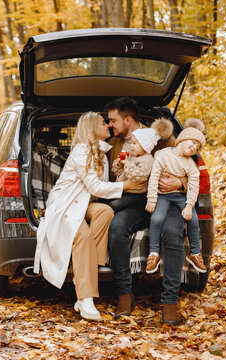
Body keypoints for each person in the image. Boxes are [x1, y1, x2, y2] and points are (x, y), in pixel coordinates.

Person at [33, 111, 143, 321]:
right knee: (81, 236)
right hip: (66, 203)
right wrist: (126, 186)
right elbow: (94, 186)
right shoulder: (82, 151)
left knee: (105, 211)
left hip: (84, 204)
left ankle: (86, 269)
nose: (109, 126)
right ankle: (85, 298)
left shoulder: (102, 152)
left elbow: (98, 191)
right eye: (104, 123)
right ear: (92, 127)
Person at [105, 97, 185, 325]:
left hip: (165, 201)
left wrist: (180, 185)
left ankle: (169, 302)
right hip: (134, 203)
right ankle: (124, 294)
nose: (110, 125)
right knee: (117, 226)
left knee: (171, 231)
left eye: (113, 120)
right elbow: (113, 179)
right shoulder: (115, 145)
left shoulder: (162, 139)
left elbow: (189, 166)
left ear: (128, 119)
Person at [145, 118, 207, 274]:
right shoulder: (162, 155)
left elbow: (194, 187)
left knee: (192, 218)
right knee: (156, 218)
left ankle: (195, 253)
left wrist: (189, 206)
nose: (194, 147)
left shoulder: (191, 165)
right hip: (162, 196)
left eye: (197, 147)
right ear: (182, 139)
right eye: (192, 142)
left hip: (180, 196)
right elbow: (154, 178)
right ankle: (154, 254)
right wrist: (152, 199)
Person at [107, 118, 173, 212]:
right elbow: (118, 173)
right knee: (108, 202)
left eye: (134, 143)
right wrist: (119, 164)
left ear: (144, 146)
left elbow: (138, 176)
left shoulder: (148, 160)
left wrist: (126, 164)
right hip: (125, 192)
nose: (131, 146)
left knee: (114, 205)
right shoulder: (134, 158)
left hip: (137, 195)